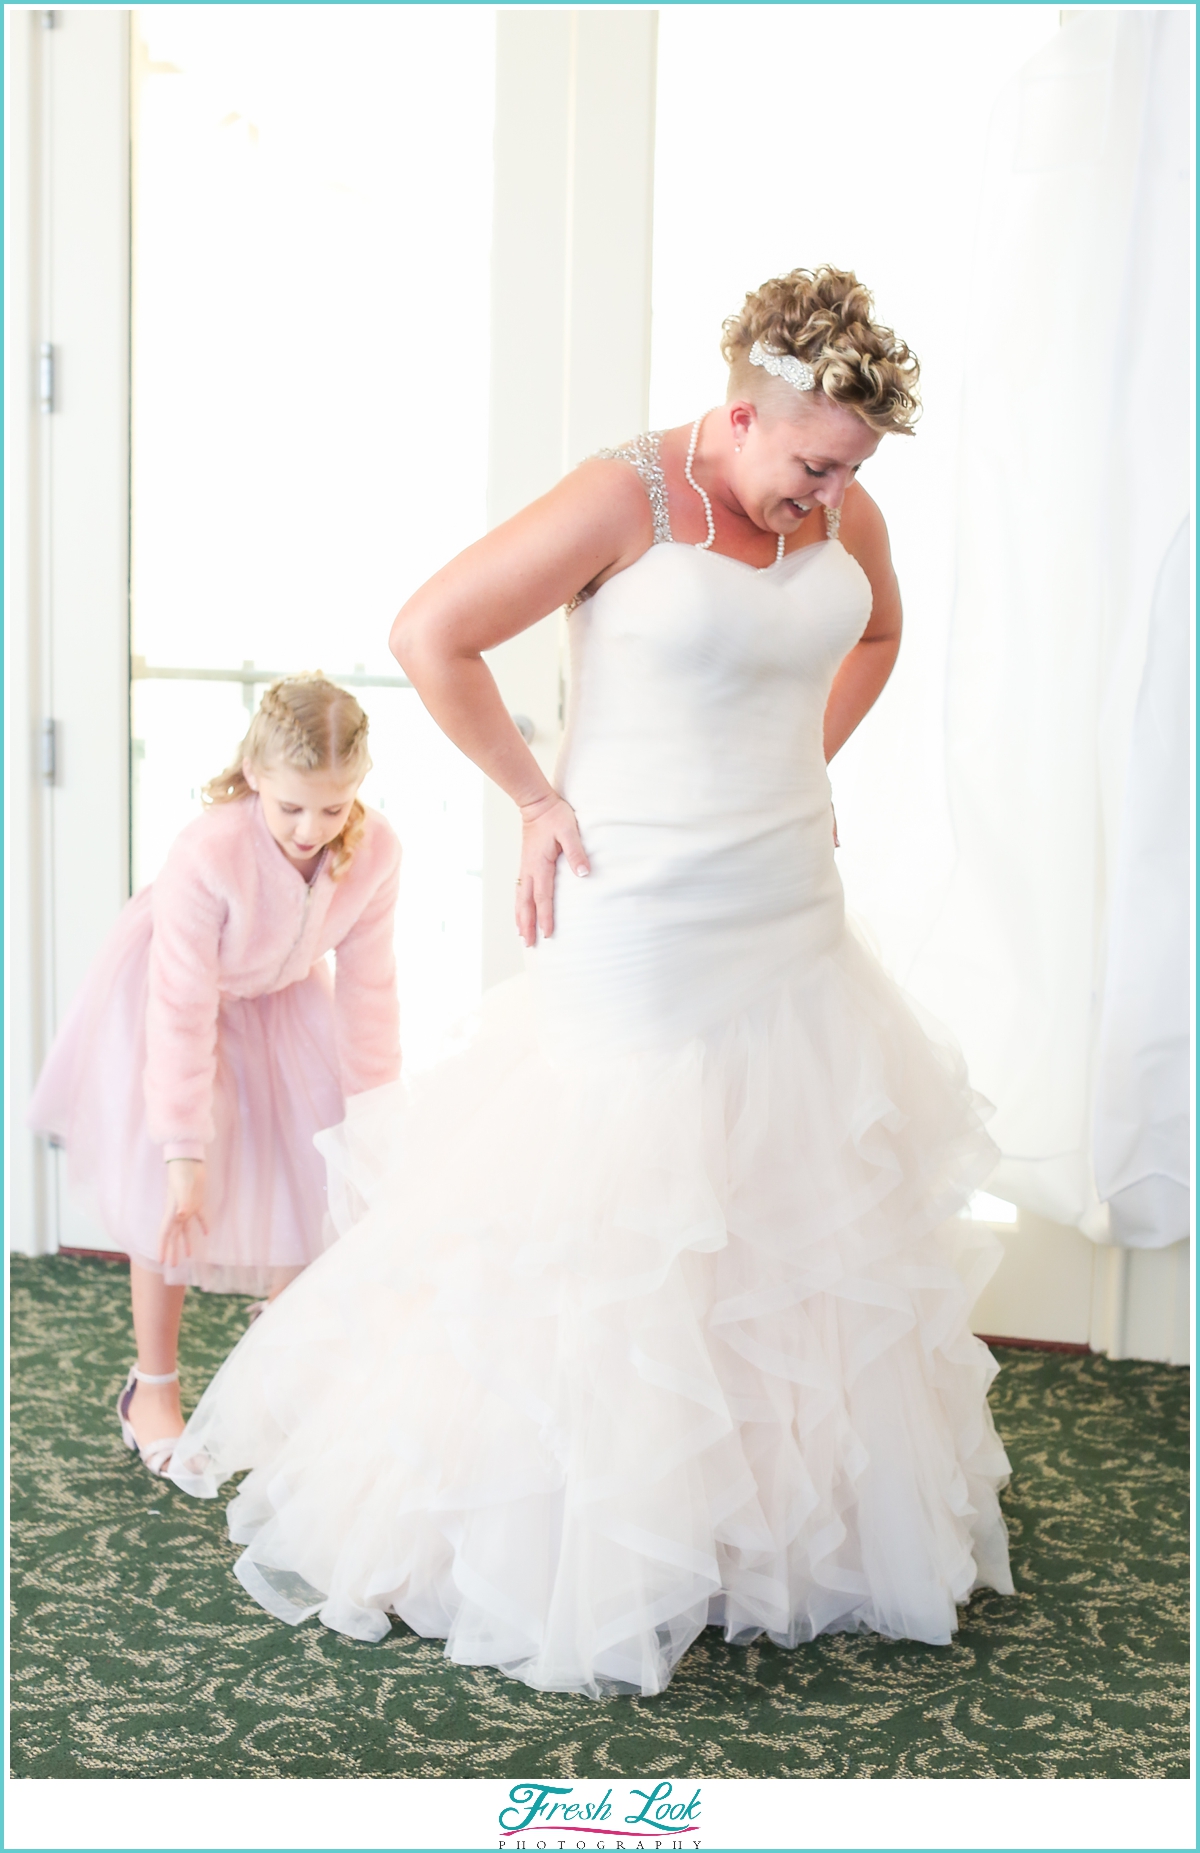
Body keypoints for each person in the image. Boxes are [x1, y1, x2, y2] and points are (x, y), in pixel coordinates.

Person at [170, 269, 1013, 1698]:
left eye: (851, 471)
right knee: (616, 1220)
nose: (826, 497)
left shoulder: (840, 502)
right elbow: (431, 632)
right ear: (741, 412)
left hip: (786, 903)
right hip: (645, 916)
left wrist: (805, 762)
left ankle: (757, 1530)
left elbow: (874, 631)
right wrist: (532, 797)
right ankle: (572, 1530)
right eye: (812, 463)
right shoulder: (623, 496)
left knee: (783, 1212)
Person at [30, 674, 401, 1476]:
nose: (311, 830)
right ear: (256, 776)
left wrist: (376, 1122)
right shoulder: (209, 851)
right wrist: (182, 1148)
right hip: (176, 1000)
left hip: (286, 996)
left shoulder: (374, 852)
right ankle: (152, 1386)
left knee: (315, 1177)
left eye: (333, 808)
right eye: (291, 807)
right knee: (169, 1201)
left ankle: (275, 1382)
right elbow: (183, 1004)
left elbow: (371, 993)